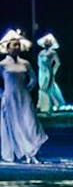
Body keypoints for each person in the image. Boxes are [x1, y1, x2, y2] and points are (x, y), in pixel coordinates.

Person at [1, 29, 48, 163]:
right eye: (14, 45)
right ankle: (27, 153)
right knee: (16, 124)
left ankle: (33, 151)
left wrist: (26, 90)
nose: (17, 47)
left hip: (24, 97)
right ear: (7, 47)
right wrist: (2, 94)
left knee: (31, 123)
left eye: (18, 44)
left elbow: (33, 79)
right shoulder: (2, 64)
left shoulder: (25, 63)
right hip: (10, 99)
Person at [36, 33, 66, 113]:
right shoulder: (41, 53)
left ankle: (50, 106)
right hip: (41, 72)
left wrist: (53, 71)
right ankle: (43, 106)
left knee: (47, 88)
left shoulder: (52, 52)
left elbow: (58, 63)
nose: (46, 43)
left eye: (48, 42)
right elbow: (38, 63)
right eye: (45, 42)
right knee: (42, 88)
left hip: (49, 72)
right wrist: (41, 69)